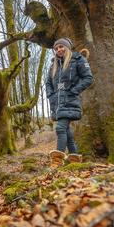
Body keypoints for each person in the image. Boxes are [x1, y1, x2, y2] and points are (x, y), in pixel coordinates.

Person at [45, 38, 93, 169]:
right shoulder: (54, 64)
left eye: (61, 47)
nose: (59, 50)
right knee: (68, 132)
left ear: (67, 47)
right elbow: (48, 83)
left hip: (70, 100)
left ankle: (56, 162)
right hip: (57, 103)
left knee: (60, 128)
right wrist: (51, 95)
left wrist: (74, 90)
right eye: (56, 48)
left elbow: (88, 78)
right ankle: (75, 161)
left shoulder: (78, 60)